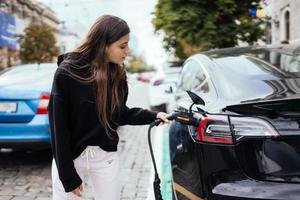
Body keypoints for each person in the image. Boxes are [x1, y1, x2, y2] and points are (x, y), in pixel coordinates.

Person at [48, 15, 169, 200]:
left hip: (105, 157)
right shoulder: (67, 73)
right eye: (122, 46)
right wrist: (67, 175)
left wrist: (153, 115)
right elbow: (58, 127)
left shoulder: (118, 74)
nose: (128, 51)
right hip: (71, 157)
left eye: (127, 45)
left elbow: (120, 113)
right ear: (103, 45)